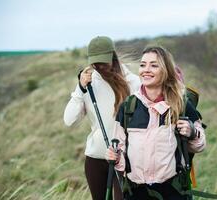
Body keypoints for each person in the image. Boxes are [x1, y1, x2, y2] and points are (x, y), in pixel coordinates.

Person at [105, 46, 206, 200]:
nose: (146, 69)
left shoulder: (181, 105)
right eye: (143, 64)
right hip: (136, 192)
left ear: (165, 71)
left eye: (154, 65)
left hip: (172, 191)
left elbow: (199, 145)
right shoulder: (128, 107)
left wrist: (192, 132)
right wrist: (115, 157)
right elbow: (119, 149)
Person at [64, 36, 140, 200]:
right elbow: (69, 121)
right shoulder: (89, 84)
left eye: (103, 62)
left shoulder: (133, 82)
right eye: (95, 63)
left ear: (113, 57)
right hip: (96, 159)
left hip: (125, 159)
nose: (99, 67)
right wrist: (80, 89)